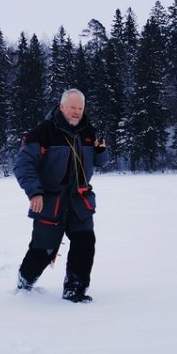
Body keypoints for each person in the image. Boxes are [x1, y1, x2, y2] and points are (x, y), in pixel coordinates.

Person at [13, 89, 110, 302]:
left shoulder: (88, 131)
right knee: (43, 250)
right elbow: (22, 164)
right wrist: (34, 192)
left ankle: (74, 291)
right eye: (73, 107)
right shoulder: (43, 132)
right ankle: (24, 281)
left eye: (80, 108)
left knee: (85, 244)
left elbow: (101, 162)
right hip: (50, 201)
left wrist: (102, 151)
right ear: (62, 106)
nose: (77, 112)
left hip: (80, 200)